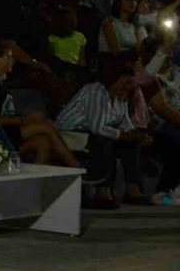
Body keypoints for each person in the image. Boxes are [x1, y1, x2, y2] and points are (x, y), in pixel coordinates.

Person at [56, 62, 153, 208]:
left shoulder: (122, 97)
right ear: (113, 80)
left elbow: (126, 124)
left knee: (132, 142)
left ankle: (133, 190)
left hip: (93, 134)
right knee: (105, 140)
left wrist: (139, 135)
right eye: (126, 82)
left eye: (131, 83)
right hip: (71, 133)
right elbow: (97, 127)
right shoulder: (95, 92)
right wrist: (123, 136)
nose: (129, 87)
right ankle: (103, 192)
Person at [0, 43, 79, 167]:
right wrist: (24, 120)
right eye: (9, 57)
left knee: (43, 143)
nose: (13, 61)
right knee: (46, 128)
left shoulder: (1, 83)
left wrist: (30, 118)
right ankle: (75, 166)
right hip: (0, 133)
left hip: (10, 130)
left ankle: (35, 177)